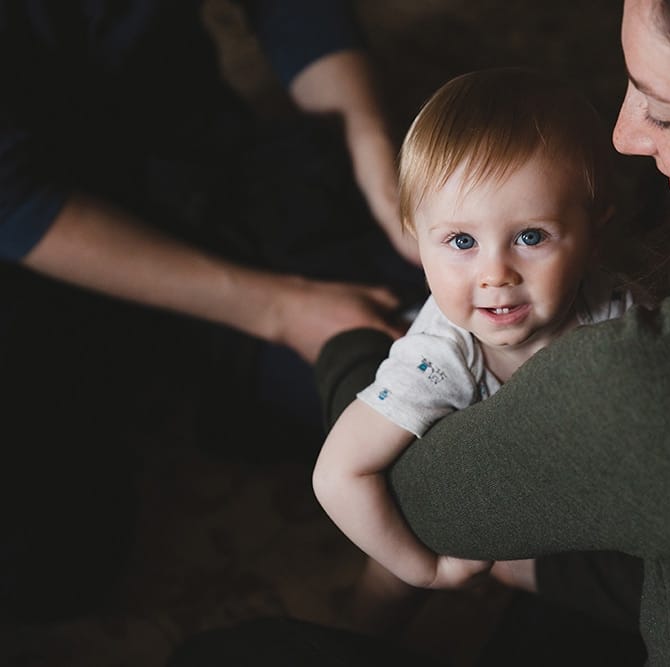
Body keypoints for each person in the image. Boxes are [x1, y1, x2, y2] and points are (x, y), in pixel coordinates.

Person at [171, 0, 670, 664]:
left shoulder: (666, 369)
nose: (624, 136)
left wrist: (344, 344)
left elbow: (422, 502)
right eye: (457, 242)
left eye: (663, 111)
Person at [0, 0, 424, 623]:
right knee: (56, 560)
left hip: (192, 154)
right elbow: (14, 202)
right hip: (30, 249)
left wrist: (370, 154)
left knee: (435, 278)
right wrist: (281, 309)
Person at [311, 67, 633, 632]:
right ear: (416, 240)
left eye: (530, 237)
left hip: (558, 491)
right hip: (445, 480)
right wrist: (424, 571)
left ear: (594, 235)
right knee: (391, 561)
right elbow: (338, 475)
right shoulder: (439, 357)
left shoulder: (623, 314)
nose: (495, 274)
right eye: (462, 241)